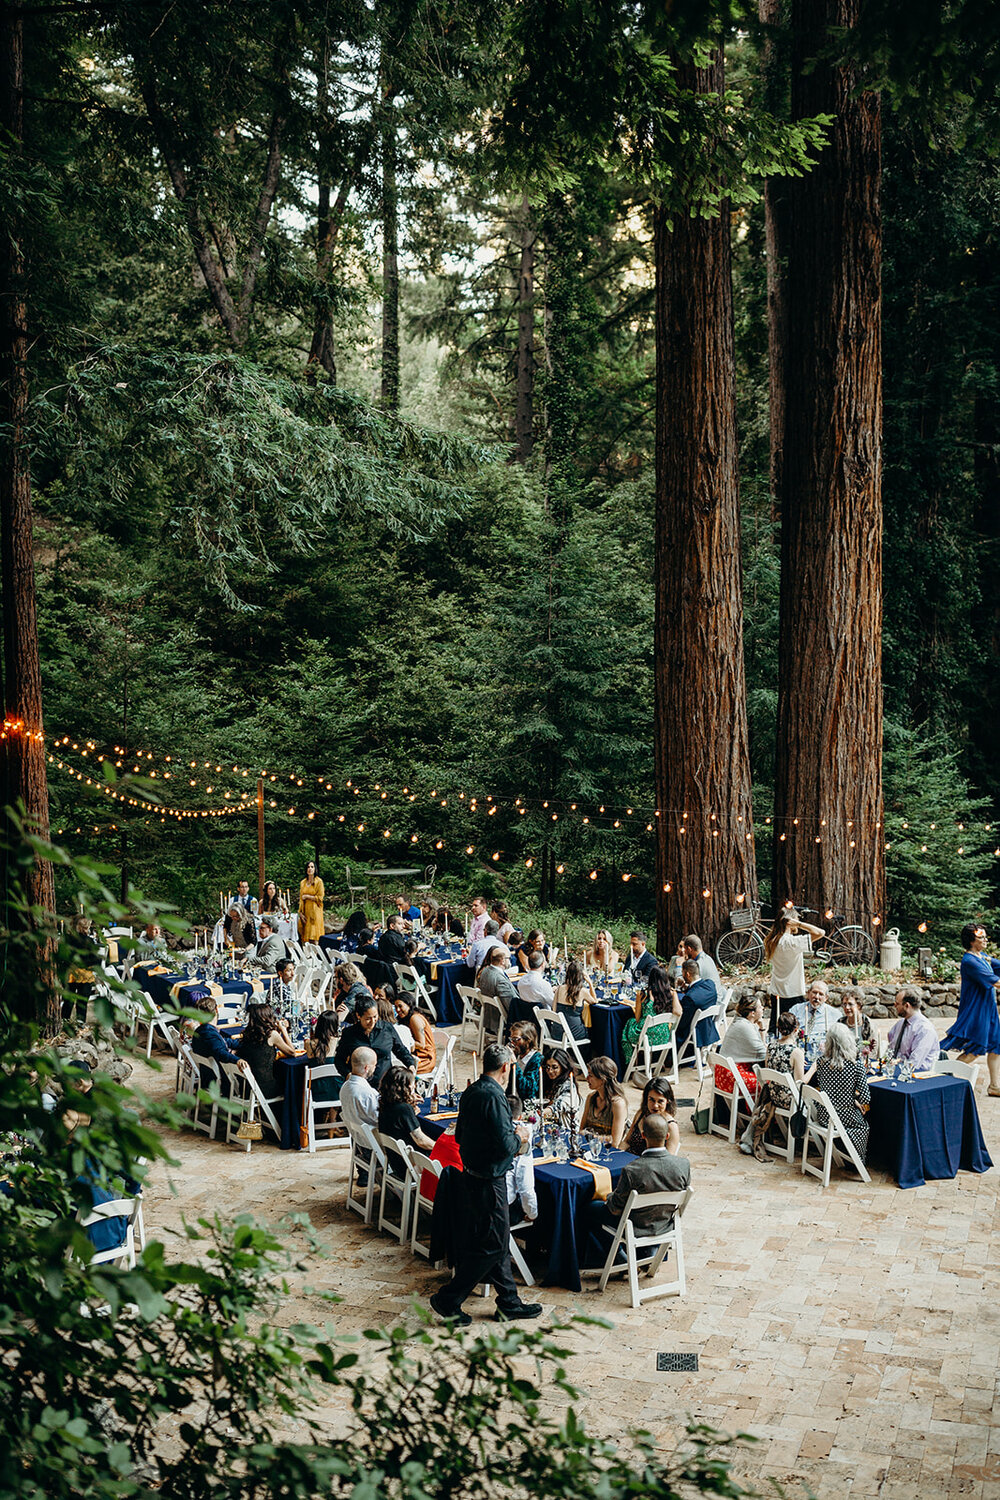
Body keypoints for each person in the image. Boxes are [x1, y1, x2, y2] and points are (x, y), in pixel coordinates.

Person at [429, 1042, 542, 1324]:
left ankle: (509, 1301)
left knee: (498, 1240)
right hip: (490, 1181)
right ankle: (449, 1298)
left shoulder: (472, 1091)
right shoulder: (493, 1096)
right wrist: (522, 1139)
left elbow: (460, 1135)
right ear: (506, 1067)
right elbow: (506, 1146)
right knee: (492, 1246)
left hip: (473, 1175)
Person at [585, 1112, 690, 1262]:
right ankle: (647, 1256)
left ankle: (623, 1260)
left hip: (635, 1227)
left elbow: (614, 1208)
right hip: (664, 1225)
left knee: (588, 1208)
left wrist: (608, 1196)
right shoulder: (683, 1165)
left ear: (643, 1135)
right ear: (667, 1136)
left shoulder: (632, 1170)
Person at [739, 1011, 807, 1160]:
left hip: (772, 1095)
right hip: (788, 1100)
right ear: (796, 1029)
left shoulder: (771, 1046)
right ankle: (806, 1142)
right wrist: (814, 1068)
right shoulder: (796, 1052)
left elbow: (769, 1067)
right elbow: (801, 1083)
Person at [943, 924, 1000, 1095]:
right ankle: (945, 1077)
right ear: (971, 940)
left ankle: (994, 1086)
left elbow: (997, 965)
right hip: (977, 1010)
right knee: (975, 1049)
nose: (985, 939)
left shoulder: (982, 956)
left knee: (996, 1046)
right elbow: (994, 981)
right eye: (981, 937)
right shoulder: (970, 961)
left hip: (989, 1009)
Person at [810, 1022, 871, 1160]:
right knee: (864, 1125)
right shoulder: (856, 1066)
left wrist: (852, 1100)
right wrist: (855, 1100)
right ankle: (857, 1159)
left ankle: (843, 1155)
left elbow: (828, 1089)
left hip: (825, 1116)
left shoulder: (820, 1062)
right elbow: (866, 1099)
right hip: (845, 1118)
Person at [763, 907, 826, 1032]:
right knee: (797, 1028)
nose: (798, 920)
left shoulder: (771, 941)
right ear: (790, 922)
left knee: (776, 1027)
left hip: (777, 991)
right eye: (797, 918)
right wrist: (799, 924)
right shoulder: (792, 942)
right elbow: (820, 932)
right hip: (793, 991)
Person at [335, 993, 415, 1084]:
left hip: (384, 1082)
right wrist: (347, 1074)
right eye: (368, 1018)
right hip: (359, 1084)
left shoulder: (386, 1028)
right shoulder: (349, 1033)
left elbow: (400, 1049)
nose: (373, 1022)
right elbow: (339, 1060)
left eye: (375, 1016)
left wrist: (410, 1064)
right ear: (358, 1016)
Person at [621, 964, 681, 1070]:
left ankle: (631, 1062)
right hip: (663, 1036)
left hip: (646, 1037)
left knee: (629, 1025)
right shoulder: (669, 995)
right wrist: (675, 994)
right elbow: (678, 1012)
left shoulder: (643, 994)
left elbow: (638, 1017)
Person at [378, 1066, 435, 1175]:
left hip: (395, 1160)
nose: (414, 1086)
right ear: (404, 1086)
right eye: (412, 1083)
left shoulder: (385, 1103)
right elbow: (421, 1141)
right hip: (410, 1164)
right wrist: (439, 1147)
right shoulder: (403, 1108)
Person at [236, 1002, 296, 1098]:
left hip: (247, 1087)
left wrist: (278, 1031)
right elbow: (292, 1053)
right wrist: (284, 1030)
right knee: (293, 1084)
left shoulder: (248, 1033)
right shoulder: (272, 1035)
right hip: (263, 1089)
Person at [716, 994, 766, 1100]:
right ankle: (758, 1114)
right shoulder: (745, 1027)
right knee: (769, 1084)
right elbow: (764, 1054)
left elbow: (760, 1047)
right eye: (760, 1007)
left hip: (723, 1074)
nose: (763, 1009)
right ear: (752, 1013)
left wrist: (762, 1029)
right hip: (732, 1078)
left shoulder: (740, 1021)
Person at [190, 994, 241, 1090]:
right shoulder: (209, 1034)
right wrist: (238, 1059)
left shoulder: (201, 1030)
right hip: (219, 1079)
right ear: (217, 1010)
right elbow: (222, 1054)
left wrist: (242, 1042)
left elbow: (222, 1042)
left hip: (207, 1075)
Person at [887, 987, 941, 1074]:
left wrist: (898, 1062)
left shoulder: (924, 1029)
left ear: (907, 1006)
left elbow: (915, 1062)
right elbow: (891, 1046)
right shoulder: (900, 1024)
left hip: (918, 1075)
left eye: (897, 1003)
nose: (894, 1005)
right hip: (896, 1071)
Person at [623, 1075, 680, 1155]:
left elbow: (669, 1159)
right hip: (629, 1160)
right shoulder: (641, 1114)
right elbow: (626, 1142)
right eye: (651, 1100)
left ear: (667, 1101)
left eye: (660, 1101)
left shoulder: (671, 1126)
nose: (655, 1106)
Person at [579, 1056, 628, 1147]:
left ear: (602, 1080)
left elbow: (615, 1142)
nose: (586, 1078)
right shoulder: (591, 1098)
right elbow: (581, 1131)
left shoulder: (617, 1104)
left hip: (607, 1152)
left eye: (591, 1075)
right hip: (588, 1148)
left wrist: (591, 1136)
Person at [790, 980, 842, 1066]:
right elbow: (786, 1035)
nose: (817, 997)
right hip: (799, 1054)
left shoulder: (835, 1015)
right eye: (814, 993)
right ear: (808, 993)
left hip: (824, 1058)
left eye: (821, 994)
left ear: (826, 997)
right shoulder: (796, 1010)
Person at [675, 958, 721, 1054]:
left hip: (695, 1036)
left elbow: (682, 1023)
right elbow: (699, 993)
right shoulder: (710, 985)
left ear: (687, 974)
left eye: (683, 972)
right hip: (708, 1029)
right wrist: (687, 987)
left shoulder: (689, 998)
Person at [506, 1097, 538, 1221]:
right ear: (520, 1117)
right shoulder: (522, 1138)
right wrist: (532, 1215)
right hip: (503, 1208)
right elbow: (526, 1188)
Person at [551, 958, 595, 1044]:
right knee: (592, 1032)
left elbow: (554, 1009)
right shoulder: (582, 991)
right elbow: (594, 1001)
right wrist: (590, 983)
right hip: (574, 1034)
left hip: (557, 1033)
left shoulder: (559, 989)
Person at [394, 992, 437, 1075]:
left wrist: (405, 1042)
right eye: (396, 1007)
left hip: (425, 1059)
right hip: (416, 1055)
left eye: (400, 1006)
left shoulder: (415, 1019)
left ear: (409, 1004)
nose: (397, 1010)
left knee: (398, 1069)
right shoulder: (407, 1018)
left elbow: (421, 1045)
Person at [339, 1046, 379, 1133]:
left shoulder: (345, 1087)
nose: (375, 1068)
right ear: (366, 1068)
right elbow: (381, 1119)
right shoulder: (368, 1093)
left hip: (360, 1138)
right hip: (374, 1140)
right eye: (374, 1065)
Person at [305, 1010, 342, 1103]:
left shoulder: (309, 1043)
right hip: (337, 1092)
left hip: (316, 1091)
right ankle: (332, 1117)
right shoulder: (338, 1041)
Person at [840, 989, 879, 1064]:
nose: (847, 1007)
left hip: (863, 1065)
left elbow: (873, 1051)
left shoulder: (869, 1025)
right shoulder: (840, 1023)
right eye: (844, 1004)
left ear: (859, 1005)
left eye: (850, 1004)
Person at [681, 934, 723, 1002]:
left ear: (689, 949)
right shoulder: (708, 958)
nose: (684, 952)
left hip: (712, 1001)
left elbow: (693, 988)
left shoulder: (698, 964)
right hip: (717, 997)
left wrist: (679, 966)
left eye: (685, 949)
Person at [477, 947, 518, 1015]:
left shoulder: (485, 971)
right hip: (500, 1017)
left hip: (489, 1013)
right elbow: (511, 1006)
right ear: (502, 961)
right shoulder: (500, 980)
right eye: (508, 958)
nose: (510, 961)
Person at [508, 1021, 541, 1102]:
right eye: (511, 1039)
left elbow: (528, 1090)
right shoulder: (517, 1054)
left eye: (516, 1039)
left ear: (528, 1040)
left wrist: (514, 1064)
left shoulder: (537, 1060)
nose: (512, 1043)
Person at [542, 1049, 580, 1115]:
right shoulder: (548, 1081)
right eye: (547, 1067)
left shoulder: (569, 1085)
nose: (550, 1071)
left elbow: (561, 1104)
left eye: (554, 1067)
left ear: (563, 1067)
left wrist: (542, 1112)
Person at [297, 860, 325, 945]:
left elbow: (320, 898)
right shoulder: (303, 882)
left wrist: (307, 896)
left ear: (315, 869)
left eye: (312, 867)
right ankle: (305, 956)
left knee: (314, 936)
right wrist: (300, 913)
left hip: (315, 911)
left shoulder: (318, 881)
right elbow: (301, 899)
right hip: (306, 911)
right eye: (308, 867)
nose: (310, 869)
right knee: (305, 936)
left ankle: (315, 955)